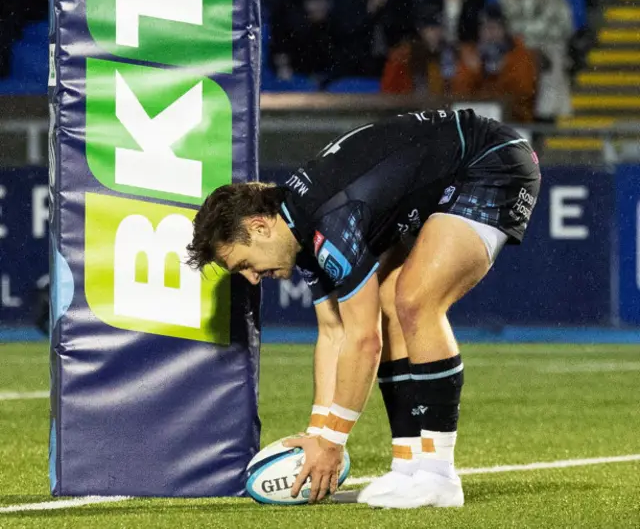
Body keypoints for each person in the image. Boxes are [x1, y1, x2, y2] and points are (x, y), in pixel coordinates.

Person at [187, 110, 541, 508]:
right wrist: (317, 434)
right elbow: (333, 331)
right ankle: (409, 468)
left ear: (259, 227)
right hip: (450, 173)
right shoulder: (298, 229)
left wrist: (333, 441)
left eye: (244, 264)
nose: (252, 278)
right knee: (391, 299)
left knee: (414, 299)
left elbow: (364, 340)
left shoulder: (330, 222)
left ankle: (439, 475)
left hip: (491, 160)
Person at [498, 0, 573, 120]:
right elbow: (505, 28)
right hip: (518, 62)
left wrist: (527, 36)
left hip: (547, 59)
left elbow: (564, 27)